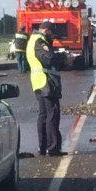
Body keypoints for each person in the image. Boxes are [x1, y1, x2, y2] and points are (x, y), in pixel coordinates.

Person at [26, 21, 67, 157]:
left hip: (39, 82)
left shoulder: (32, 39)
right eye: (51, 33)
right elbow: (49, 58)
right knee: (52, 114)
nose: (52, 36)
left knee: (43, 115)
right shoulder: (39, 41)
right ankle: (53, 148)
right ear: (46, 30)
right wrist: (63, 57)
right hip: (46, 82)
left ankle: (43, 147)